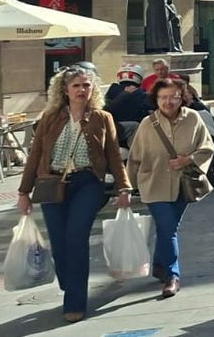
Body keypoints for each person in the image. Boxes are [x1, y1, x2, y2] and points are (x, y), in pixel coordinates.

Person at [16, 65, 131, 323]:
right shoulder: (49, 118)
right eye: (76, 85)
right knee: (59, 243)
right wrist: (24, 192)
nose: (82, 90)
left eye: (87, 85)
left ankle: (75, 301)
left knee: (76, 239)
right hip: (51, 183)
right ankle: (71, 283)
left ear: (94, 89)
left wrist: (124, 187)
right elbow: (34, 155)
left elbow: (113, 154)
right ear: (65, 90)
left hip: (87, 183)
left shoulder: (102, 117)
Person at [127, 77, 214, 299]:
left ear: (181, 97)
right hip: (153, 184)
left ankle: (158, 263)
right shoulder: (147, 124)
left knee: (167, 229)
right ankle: (172, 276)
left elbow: (207, 147)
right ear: (155, 99)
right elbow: (135, 158)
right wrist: (127, 187)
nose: (167, 102)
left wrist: (189, 160)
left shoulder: (193, 119)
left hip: (181, 185)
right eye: (162, 97)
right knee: (168, 229)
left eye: (173, 97)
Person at [107, 65, 153, 146]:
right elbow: (153, 105)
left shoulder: (112, 90)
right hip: (123, 131)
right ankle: (137, 154)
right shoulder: (139, 93)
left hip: (113, 128)